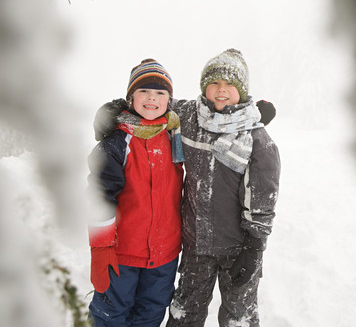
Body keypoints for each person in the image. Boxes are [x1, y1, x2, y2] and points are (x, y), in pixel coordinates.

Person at [93, 49, 280, 326]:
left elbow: (264, 199)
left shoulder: (256, 138)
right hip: (195, 246)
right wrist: (115, 109)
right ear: (204, 88)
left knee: (238, 318)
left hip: (238, 248)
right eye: (215, 83)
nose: (221, 91)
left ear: (242, 90)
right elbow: (154, 102)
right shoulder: (189, 119)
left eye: (230, 85)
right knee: (184, 315)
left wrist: (254, 247)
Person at [87, 58, 185, 327]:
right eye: (143, 91)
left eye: (160, 93)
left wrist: (252, 111)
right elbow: (99, 197)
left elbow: (214, 116)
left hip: (163, 256)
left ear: (169, 100)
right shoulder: (117, 142)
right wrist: (101, 248)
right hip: (122, 254)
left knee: (151, 314)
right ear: (130, 98)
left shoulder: (176, 133)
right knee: (110, 315)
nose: (151, 98)